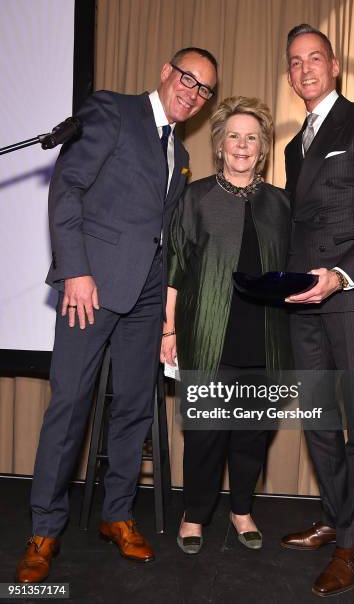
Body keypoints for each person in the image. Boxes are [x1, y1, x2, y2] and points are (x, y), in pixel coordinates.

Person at [16, 47, 218, 583]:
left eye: (204, 90)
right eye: (188, 79)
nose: (193, 93)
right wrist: (75, 271)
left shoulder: (178, 150)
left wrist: (169, 318)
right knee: (71, 406)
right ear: (165, 72)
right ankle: (44, 531)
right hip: (92, 288)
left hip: (147, 298)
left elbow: (164, 232)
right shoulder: (112, 111)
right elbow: (68, 187)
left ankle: (117, 515)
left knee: (133, 410)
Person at [280, 24, 354, 597]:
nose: (304, 68)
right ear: (290, 74)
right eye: (295, 62)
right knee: (318, 418)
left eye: (314, 58)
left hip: (353, 292)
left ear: (334, 65)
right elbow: (300, 225)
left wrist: (340, 275)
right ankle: (335, 516)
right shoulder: (292, 144)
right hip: (303, 297)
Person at [160, 96, 293, 555]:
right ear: (219, 145)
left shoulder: (280, 203)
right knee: (206, 435)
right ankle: (194, 515)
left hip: (265, 339)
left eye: (252, 137)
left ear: (263, 149)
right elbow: (175, 267)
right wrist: (168, 331)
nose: (242, 145)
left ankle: (241, 511)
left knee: (252, 435)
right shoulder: (195, 198)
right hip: (207, 337)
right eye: (234, 136)